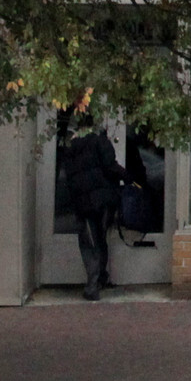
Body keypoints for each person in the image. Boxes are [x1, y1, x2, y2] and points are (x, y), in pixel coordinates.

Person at [62, 116, 124, 299]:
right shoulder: (100, 141)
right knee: (100, 238)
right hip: (103, 199)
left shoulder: (70, 146)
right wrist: (128, 178)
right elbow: (110, 166)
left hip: (83, 201)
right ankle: (98, 280)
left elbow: (70, 175)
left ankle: (93, 283)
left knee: (90, 242)